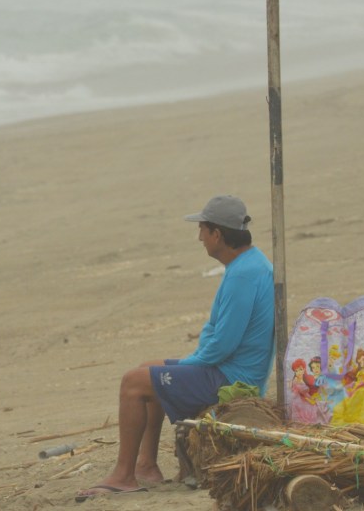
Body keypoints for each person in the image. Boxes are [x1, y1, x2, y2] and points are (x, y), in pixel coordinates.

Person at [75, 195, 274, 502]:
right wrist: (187, 364)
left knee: (133, 382)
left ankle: (123, 476)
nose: (199, 237)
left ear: (217, 234)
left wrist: (187, 365)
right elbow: (218, 336)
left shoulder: (245, 274)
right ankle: (146, 465)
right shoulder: (248, 263)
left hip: (232, 380)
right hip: (226, 368)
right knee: (147, 368)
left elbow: (223, 345)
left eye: (202, 230)